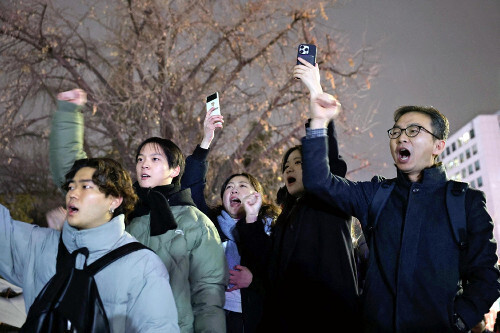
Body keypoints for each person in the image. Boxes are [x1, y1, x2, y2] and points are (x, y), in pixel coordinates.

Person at [301, 92, 500, 332]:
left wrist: (457, 320)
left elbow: (487, 276)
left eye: (413, 131)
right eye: (395, 132)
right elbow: (319, 183)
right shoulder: (377, 195)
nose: (401, 137)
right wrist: (319, 122)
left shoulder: (466, 202)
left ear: (438, 145)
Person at [49, 89, 227, 333]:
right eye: (140, 158)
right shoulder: (121, 210)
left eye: (155, 159)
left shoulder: (195, 222)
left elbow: (208, 298)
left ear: (175, 170)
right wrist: (69, 113)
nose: (144, 163)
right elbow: (77, 175)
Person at [234, 57, 360, 332]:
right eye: (286, 166)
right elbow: (270, 266)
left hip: (330, 320)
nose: (289, 168)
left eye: (299, 162)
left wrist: (315, 91)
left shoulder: (329, 199)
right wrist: (252, 218)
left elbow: (328, 159)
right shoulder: (286, 218)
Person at [0, 157, 179, 332]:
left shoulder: (143, 266)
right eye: (71, 187)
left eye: (85, 187)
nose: (72, 194)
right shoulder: (39, 244)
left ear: (115, 200)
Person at [182, 114, 280, 332]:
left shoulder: (272, 228)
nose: (234, 189)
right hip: (212, 314)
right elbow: (190, 188)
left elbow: (279, 275)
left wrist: (253, 281)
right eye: (229, 187)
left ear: (258, 196)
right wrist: (206, 139)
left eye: (243, 186)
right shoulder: (209, 224)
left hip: (252, 318)